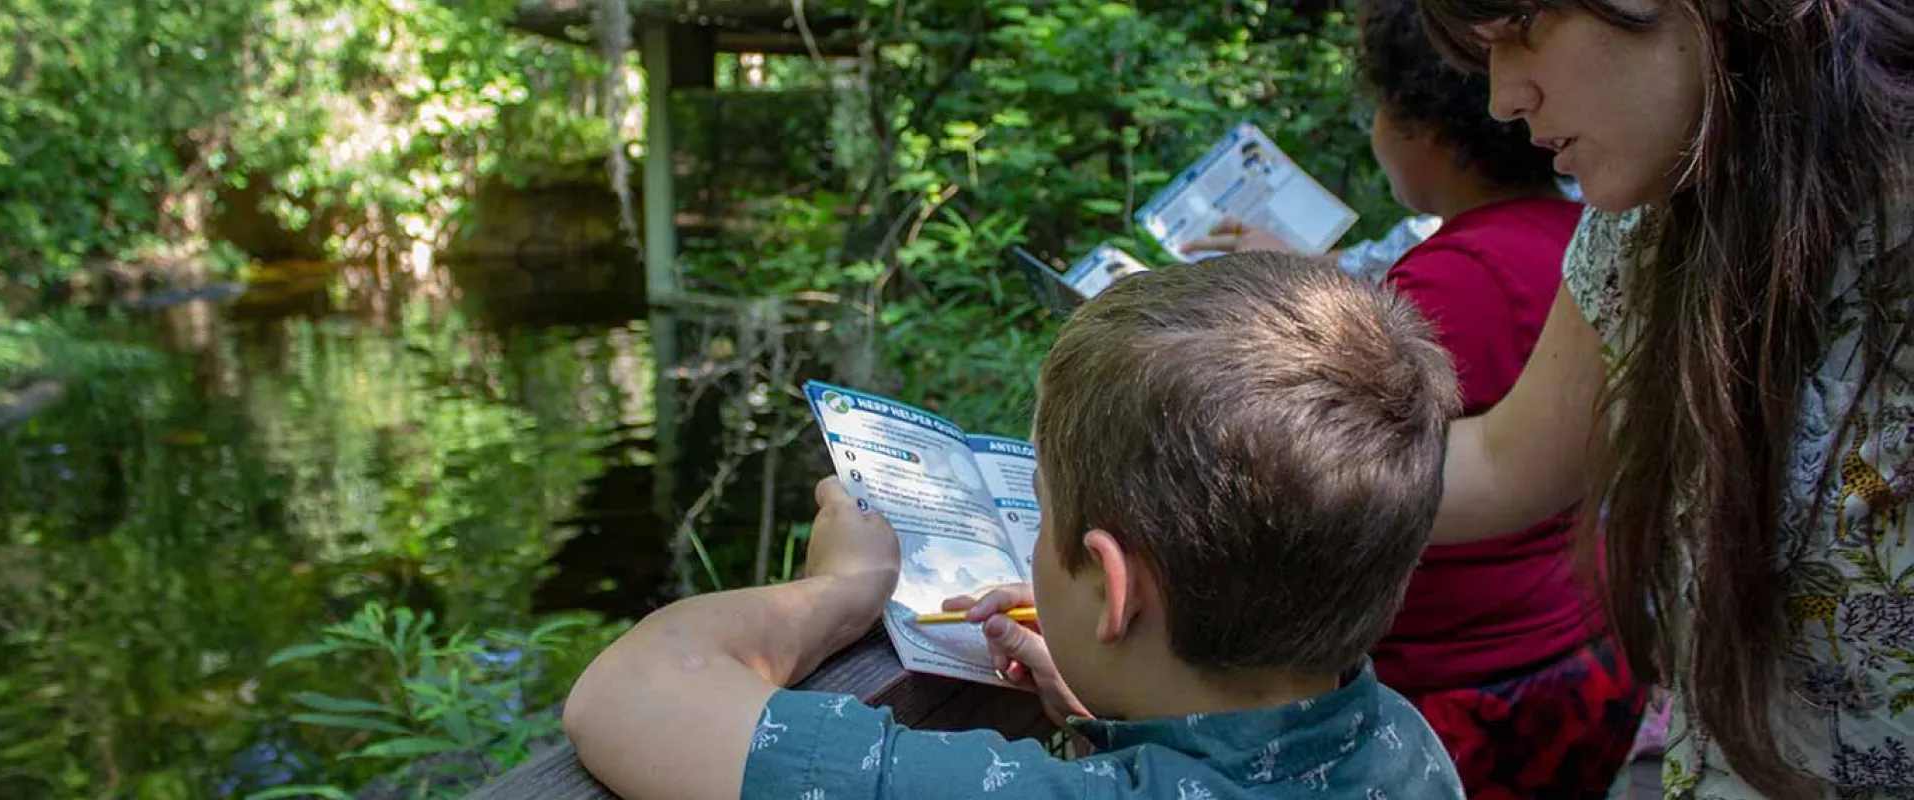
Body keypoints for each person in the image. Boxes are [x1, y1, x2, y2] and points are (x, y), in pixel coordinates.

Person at [561, 253, 1468, 800]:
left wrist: (834, 590)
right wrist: (1115, 708)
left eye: (1040, 514)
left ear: (1115, 592)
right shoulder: (1401, 741)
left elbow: (630, 694)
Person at [1398, 0, 1910, 797]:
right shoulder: (1642, 218)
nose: (1502, 99)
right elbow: (1503, 460)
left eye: (1523, 30)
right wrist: (1249, 462)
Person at [1186, 1, 1649, 795]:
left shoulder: (1446, 281)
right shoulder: (1582, 234)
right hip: (1583, 645)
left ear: (1425, 130)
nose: (1507, 93)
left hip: (1463, 675)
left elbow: (1346, 447)